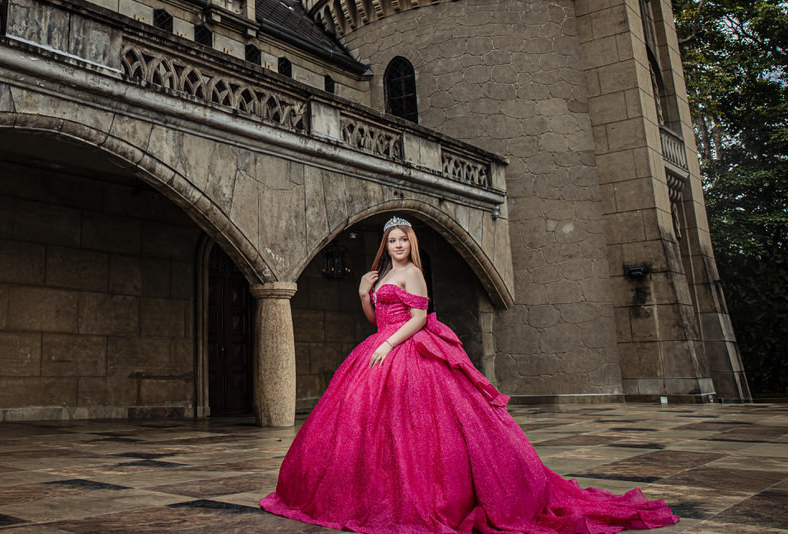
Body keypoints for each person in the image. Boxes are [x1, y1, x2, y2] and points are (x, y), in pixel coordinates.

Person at [260, 216, 679, 534]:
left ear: (412, 243)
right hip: (379, 346)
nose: (399, 244)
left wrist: (389, 345)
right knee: (361, 428)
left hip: (405, 348)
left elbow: (420, 318)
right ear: (385, 245)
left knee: (423, 429)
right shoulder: (384, 274)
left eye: (404, 239)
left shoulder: (413, 274)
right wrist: (362, 295)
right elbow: (374, 318)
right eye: (393, 240)